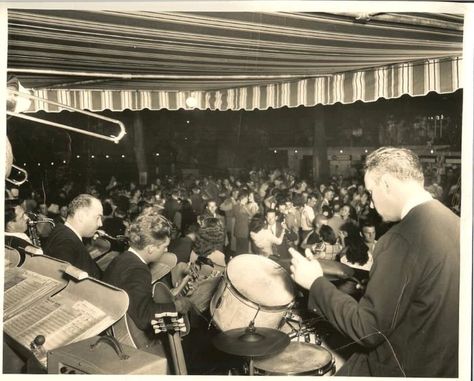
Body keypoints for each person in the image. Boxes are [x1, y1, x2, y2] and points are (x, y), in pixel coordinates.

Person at [290, 147, 459, 377]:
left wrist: (315, 283)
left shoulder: (400, 239)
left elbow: (368, 330)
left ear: (387, 184)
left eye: (371, 192)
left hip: (400, 367)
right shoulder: (455, 222)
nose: (370, 203)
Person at [103, 208, 190, 357]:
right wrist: (176, 306)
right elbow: (144, 316)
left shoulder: (121, 259)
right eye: (164, 246)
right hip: (131, 344)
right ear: (150, 249)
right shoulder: (139, 269)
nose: (167, 249)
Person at [43, 194, 103, 279]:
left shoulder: (62, 231)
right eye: (98, 218)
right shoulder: (66, 242)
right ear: (81, 216)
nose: (100, 223)